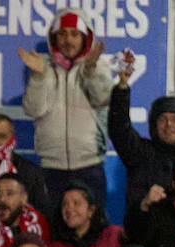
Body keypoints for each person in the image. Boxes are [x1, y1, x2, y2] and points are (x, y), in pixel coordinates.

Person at [19, 7, 113, 204]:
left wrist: (90, 71)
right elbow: (33, 109)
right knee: (51, 227)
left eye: (74, 34)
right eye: (62, 34)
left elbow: (103, 99)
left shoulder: (96, 65)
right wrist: (38, 76)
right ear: (53, 38)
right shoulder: (42, 67)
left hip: (90, 166)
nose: (68, 40)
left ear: (85, 37)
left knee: (93, 230)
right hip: (51, 167)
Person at [109, 55, 175, 219]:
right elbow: (119, 128)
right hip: (142, 232)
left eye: (174, 120)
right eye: (163, 119)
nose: (169, 125)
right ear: (154, 126)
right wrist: (122, 87)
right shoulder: (139, 152)